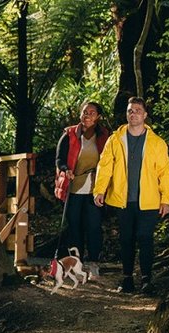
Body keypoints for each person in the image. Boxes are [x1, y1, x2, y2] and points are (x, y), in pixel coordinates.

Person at [93, 96, 169, 293]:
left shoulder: (157, 143)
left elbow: (165, 172)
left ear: (145, 115)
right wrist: (100, 190)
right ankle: (127, 278)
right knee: (126, 238)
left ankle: (147, 280)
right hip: (123, 200)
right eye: (130, 110)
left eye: (137, 110)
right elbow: (104, 167)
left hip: (150, 201)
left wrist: (166, 199)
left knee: (145, 237)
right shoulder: (115, 140)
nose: (133, 113)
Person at [54, 101, 110, 273]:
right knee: (74, 225)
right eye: (85, 112)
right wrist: (66, 169)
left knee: (93, 225)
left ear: (98, 117)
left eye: (92, 113)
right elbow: (59, 159)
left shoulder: (104, 136)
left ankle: (93, 262)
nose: (87, 115)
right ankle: (75, 261)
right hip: (74, 186)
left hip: (95, 188)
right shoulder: (69, 134)